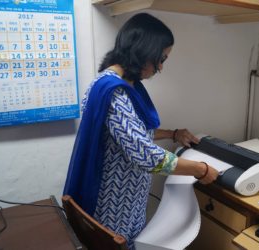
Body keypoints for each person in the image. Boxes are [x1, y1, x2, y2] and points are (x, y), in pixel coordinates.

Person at [63, 13, 219, 250]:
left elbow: (132, 133)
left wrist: (172, 134)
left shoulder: (125, 84)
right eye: (161, 59)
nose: (160, 68)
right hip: (113, 202)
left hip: (129, 198)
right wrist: (201, 170)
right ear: (143, 51)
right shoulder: (113, 91)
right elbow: (146, 155)